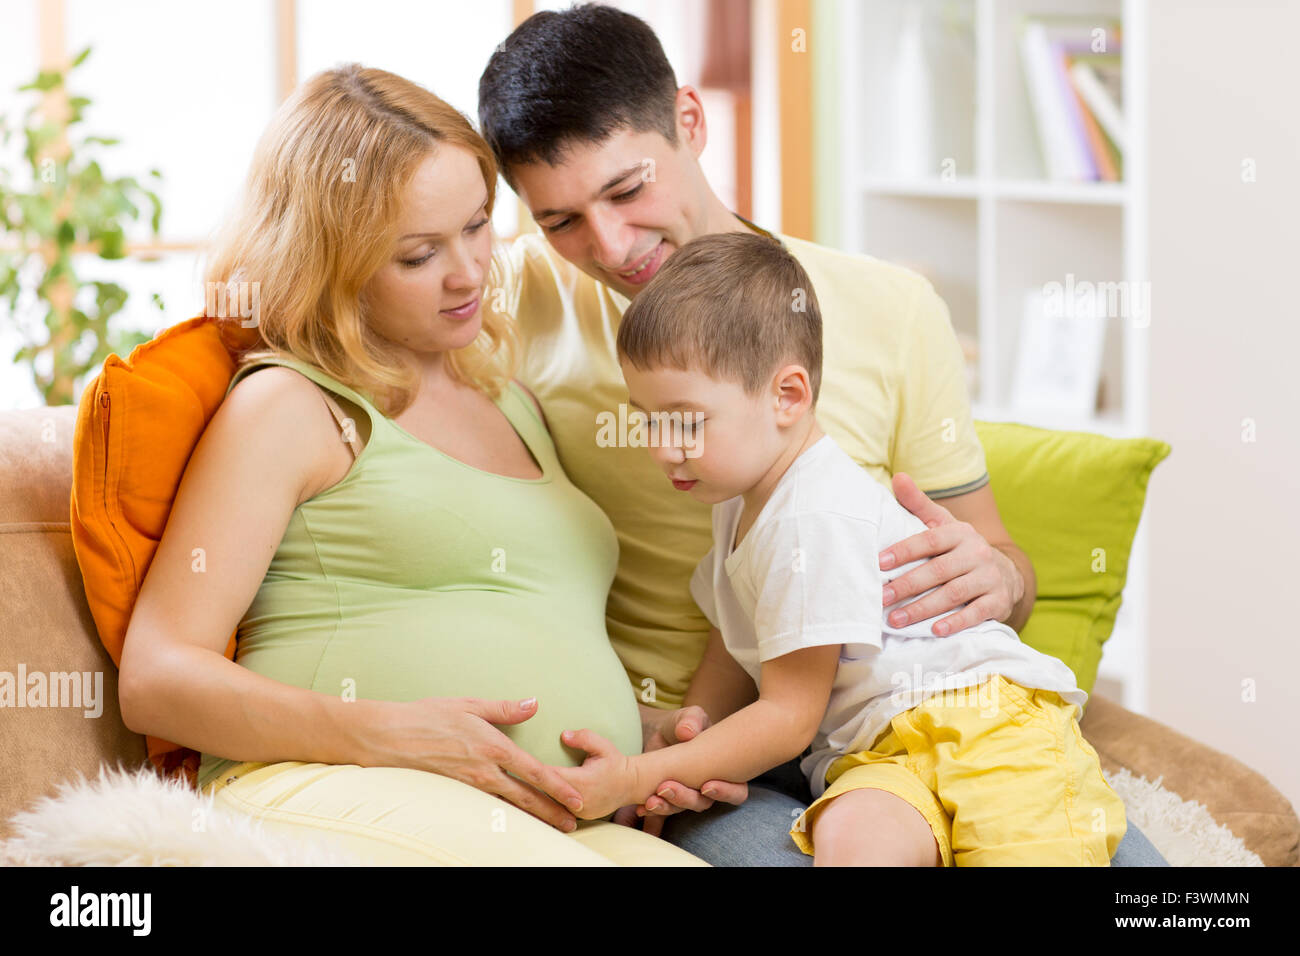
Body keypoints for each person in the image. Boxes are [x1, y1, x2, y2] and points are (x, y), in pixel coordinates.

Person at [476, 3, 1168, 865]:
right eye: (560, 221)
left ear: (689, 121)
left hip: (921, 710)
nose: (611, 245)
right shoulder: (507, 301)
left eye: (628, 189)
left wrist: (995, 574)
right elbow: (350, 288)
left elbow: (1004, 568)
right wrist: (676, 743)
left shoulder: (891, 309)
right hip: (768, 750)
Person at [117, 63, 707, 866]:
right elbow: (155, 675)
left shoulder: (509, 399)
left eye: (475, 226)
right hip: (324, 787)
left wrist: (655, 755)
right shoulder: (292, 406)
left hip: (551, 822)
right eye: (419, 254)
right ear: (335, 261)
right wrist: (393, 733)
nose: (468, 273)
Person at [552, 231, 1128, 865]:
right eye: (648, 418)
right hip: (875, 755)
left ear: (788, 396)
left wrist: (634, 775)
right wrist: (692, 734)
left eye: (684, 419)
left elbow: (789, 717)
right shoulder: (737, 501)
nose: (661, 446)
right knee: (853, 843)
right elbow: (736, 644)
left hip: (987, 727)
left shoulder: (811, 515)